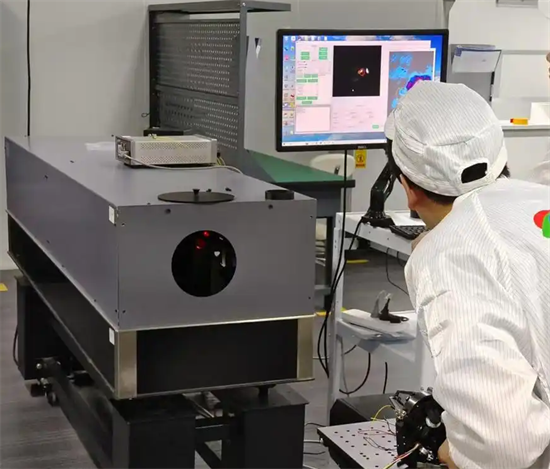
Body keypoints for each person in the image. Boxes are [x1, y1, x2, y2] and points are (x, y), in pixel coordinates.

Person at [384, 81, 550, 469]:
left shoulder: (450, 255)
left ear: (408, 189)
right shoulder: (539, 198)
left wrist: (448, 451)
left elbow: (502, 444)